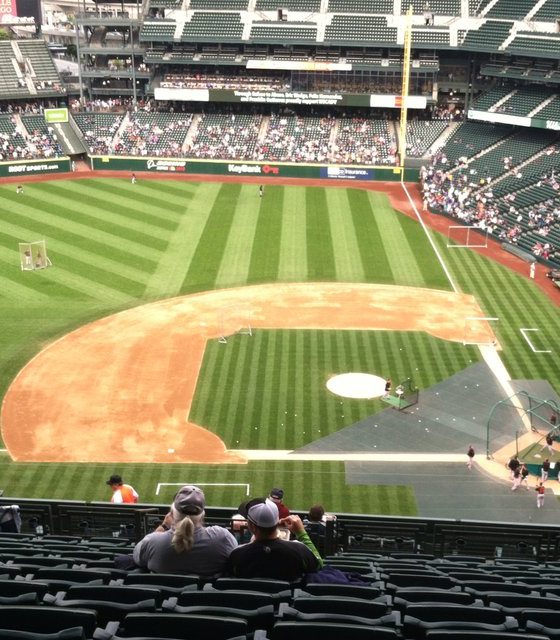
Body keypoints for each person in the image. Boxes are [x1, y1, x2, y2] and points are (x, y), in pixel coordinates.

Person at [133, 485, 237, 576]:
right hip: (206, 592)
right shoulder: (222, 537)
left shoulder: (152, 541)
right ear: (202, 515)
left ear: (172, 513)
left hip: (163, 592)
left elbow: (138, 558)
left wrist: (163, 526)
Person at [227, 497, 322, 582]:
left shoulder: (237, 554)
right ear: (277, 521)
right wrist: (301, 533)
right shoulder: (299, 549)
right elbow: (318, 565)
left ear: (252, 526)